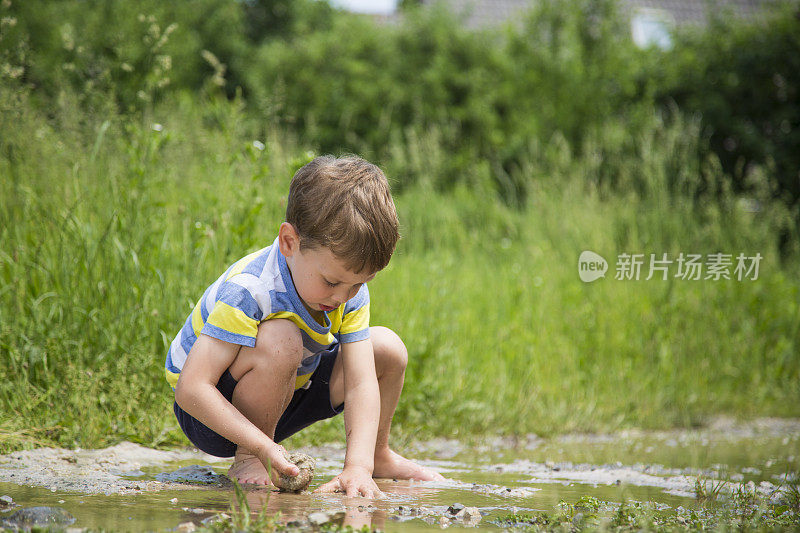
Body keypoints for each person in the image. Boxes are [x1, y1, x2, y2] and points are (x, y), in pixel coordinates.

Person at [164, 155, 444, 498]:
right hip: (213, 413)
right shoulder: (251, 289)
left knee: (386, 348)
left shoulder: (347, 291)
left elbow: (360, 381)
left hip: (289, 390)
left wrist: (358, 468)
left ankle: (376, 455)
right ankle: (250, 457)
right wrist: (262, 447)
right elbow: (192, 389)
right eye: (331, 282)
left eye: (358, 284)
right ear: (289, 242)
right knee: (281, 336)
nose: (343, 297)